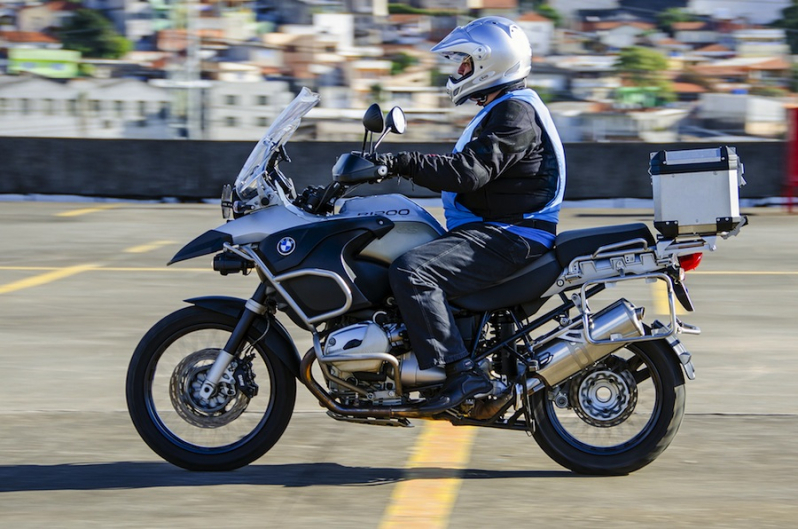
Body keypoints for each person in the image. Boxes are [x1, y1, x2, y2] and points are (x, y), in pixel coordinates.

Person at [377, 16, 566, 410]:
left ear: (490, 62)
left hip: (510, 235)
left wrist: (401, 163)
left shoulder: (515, 113)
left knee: (412, 271)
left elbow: (468, 172)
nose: (458, 72)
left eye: (464, 63)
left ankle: (461, 373)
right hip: (499, 229)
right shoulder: (505, 108)